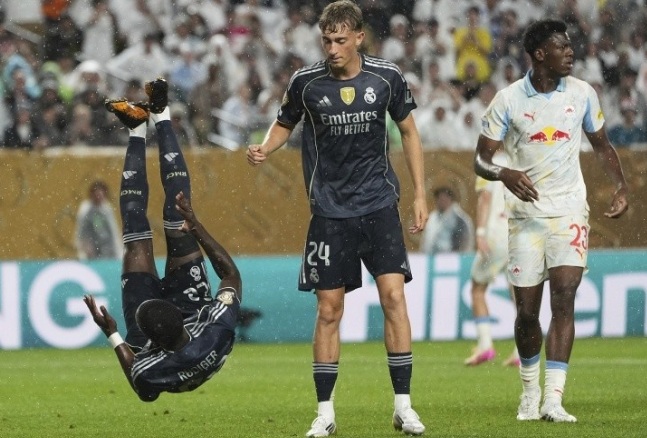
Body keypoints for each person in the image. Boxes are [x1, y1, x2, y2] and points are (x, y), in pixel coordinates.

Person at [246, 1, 428, 436]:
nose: (332, 49)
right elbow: (284, 122)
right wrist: (265, 147)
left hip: (379, 205)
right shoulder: (306, 83)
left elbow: (409, 131)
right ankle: (325, 413)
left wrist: (421, 194)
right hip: (329, 211)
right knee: (329, 310)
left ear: (359, 38)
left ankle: (403, 407)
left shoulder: (386, 77)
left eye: (340, 40)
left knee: (393, 298)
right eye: (326, 40)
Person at [474, 19, 629, 423]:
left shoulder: (582, 93)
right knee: (527, 312)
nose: (570, 52)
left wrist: (620, 186)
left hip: (569, 210)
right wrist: (504, 173)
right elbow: (480, 159)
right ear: (540, 54)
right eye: (562, 46)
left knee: (565, 297)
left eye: (570, 45)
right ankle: (529, 393)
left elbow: (602, 144)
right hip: (525, 218)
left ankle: (553, 399)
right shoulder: (508, 100)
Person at [83, 77, 242, 402]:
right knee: (178, 215)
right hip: (194, 308)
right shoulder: (216, 327)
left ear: (151, 343)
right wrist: (196, 226)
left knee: (135, 236)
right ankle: (161, 114)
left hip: (172, 330)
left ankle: (137, 129)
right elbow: (231, 275)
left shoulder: (150, 365)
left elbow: (143, 388)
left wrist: (115, 335)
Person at [464, 152, 519, 367]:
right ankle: (521, 352)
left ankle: (485, 345)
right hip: (517, 233)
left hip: (496, 234)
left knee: (477, 288)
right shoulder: (520, 160)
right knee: (518, 295)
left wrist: (480, 233)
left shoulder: (488, 163)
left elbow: (485, 198)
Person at [74, 179, 122, 260]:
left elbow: (113, 230)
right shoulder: (86, 209)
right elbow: (81, 230)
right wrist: (83, 247)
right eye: (96, 194)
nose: (99, 197)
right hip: (91, 249)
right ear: (92, 194)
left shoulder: (106, 209)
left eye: (101, 194)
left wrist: (118, 249)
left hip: (107, 249)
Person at [419, 187, 473, 255]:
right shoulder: (432, 217)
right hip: (431, 257)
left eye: (444, 198)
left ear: (450, 199)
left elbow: (465, 242)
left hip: (453, 258)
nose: (442, 201)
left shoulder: (459, 219)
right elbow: (426, 240)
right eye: (439, 199)